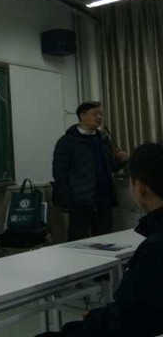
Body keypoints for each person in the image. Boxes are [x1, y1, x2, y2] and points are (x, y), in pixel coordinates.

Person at [31, 141, 163, 337]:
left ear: (140, 187)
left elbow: (128, 320)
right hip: (79, 203)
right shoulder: (70, 143)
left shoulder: (154, 249)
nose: (99, 121)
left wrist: (95, 317)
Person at [52, 101, 128, 241]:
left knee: (105, 238)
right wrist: (69, 195)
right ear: (82, 116)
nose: (99, 117)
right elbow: (59, 171)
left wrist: (121, 161)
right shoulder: (68, 141)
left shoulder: (103, 139)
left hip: (103, 197)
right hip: (80, 199)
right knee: (78, 238)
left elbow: (109, 167)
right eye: (95, 114)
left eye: (101, 114)